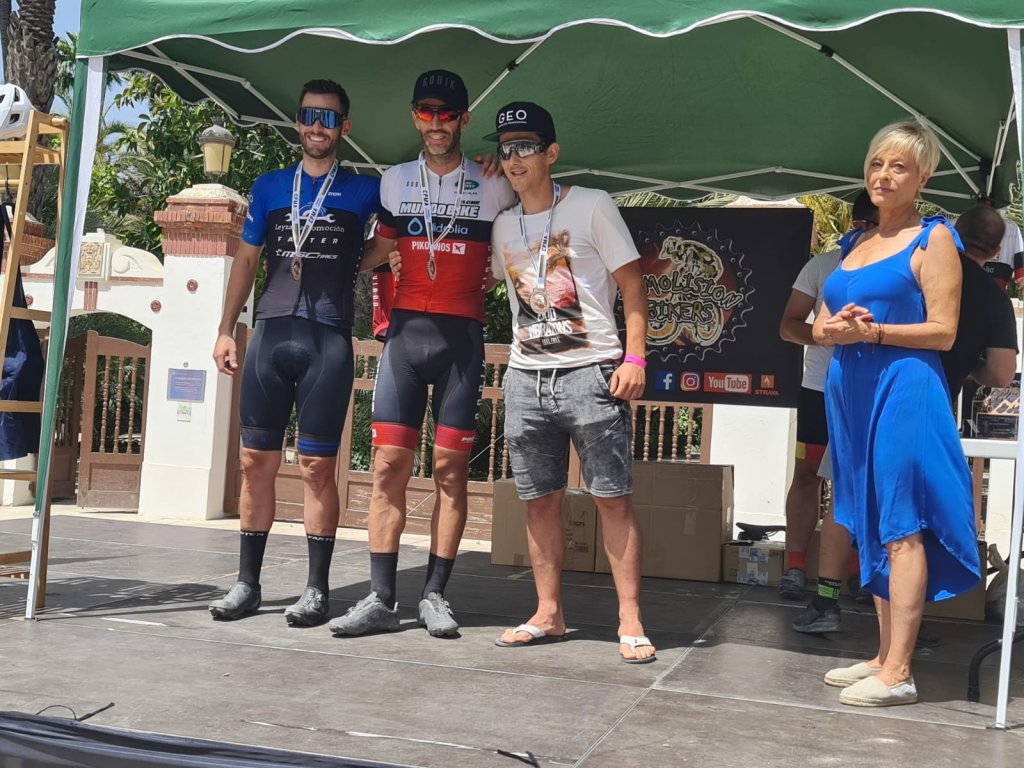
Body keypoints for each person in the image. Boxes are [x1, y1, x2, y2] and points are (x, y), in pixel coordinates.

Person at [328, 70, 515, 638]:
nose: (436, 123)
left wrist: (502, 273)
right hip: (405, 338)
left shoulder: (495, 183)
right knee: (387, 467)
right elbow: (378, 249)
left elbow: (525, 234)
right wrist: (321, 264)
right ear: (415, 116)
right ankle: (381, 597)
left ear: (464, 119)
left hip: (461, 342)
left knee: (449, 471)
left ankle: (435, 594)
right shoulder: (394, 181)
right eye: (426, 112)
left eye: (447, 113)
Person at [812, 120, 982, 706]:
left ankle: (900, 672)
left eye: (899, 166)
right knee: (868, 517)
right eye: (877, 163)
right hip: (851, 389)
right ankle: (884, 655)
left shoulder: (933, 239)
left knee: (901, 522)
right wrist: (835, 329)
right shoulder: (852, 243)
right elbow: (819, 325)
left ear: (923, 177)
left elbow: (944, 330)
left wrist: (875, 332)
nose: (883, 176)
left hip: (904, 387)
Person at [794, 204, 1018, 636]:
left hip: (887, 397)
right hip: (912, 402)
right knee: (901, 520)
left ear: (954, 232)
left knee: (866, 509)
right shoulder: (990, 295)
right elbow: (1000, 372)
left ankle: (832, 604)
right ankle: (898, 636)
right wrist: (965, 367)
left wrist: (867, 332)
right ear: (994, 250)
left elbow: (936, 329)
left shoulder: (911, 254)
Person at [486, 101, 654, 663]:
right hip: (525, 376)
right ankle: (548, 613)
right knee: (538, 502)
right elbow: (498, 286)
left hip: (592, 371)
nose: (514, 159)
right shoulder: (504, 224)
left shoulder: (591, 205)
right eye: (505, 149)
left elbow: (633, 285)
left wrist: (635, 358)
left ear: (551, 152)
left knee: (612, 499)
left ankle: (629, 618)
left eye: (525, 147)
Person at [208, 79, 381, 626]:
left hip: (327, 340)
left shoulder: (365, 190)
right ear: (297, 122)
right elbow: (245, 261)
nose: (316, 127)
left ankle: (316, 590)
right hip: (269, 335)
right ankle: (247, 585)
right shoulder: (269, 186)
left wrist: (356, 261)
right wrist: (226, 329)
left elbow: (397, 236)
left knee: (316, 468)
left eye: (328, 118)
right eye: (308, 116)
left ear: (343, 127)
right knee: (253, 463)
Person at [778, 191, 877, 601]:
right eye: (873, 226)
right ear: (858, 224)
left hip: (869, 392)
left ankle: (855, 571)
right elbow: (788, 326)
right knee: (807, 475)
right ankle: (795, 566)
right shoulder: (822, 265)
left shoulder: (899, 268)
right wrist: (823, 335)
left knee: (860, 481)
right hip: (819, 390)